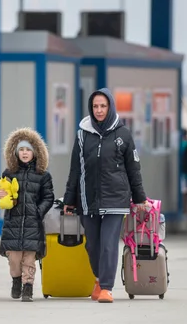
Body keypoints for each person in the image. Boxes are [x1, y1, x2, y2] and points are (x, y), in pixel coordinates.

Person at [63, 88, 149, 304]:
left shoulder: (123, 134)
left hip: (116, 198)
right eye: (95, 106)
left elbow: (134, 169)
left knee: (109, 243)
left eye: (103, 106)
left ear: (110, 107)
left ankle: (107, 288)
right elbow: (75, 169)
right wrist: (69, 200)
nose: (99, 110)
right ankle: (99, 279)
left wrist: (140, 199)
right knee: (92, 244)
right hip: (87, 198)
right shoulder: (83, 134)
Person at [0, 128, 54, 302]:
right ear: (16, 153)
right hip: (13, 223)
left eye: (28, 150)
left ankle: (28, 287)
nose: (25, 153)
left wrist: (38, 211)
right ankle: (16, 280)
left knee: (29, 259)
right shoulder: (9, 173)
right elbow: (1, 189)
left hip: (33, 223)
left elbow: (48, 197)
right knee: (14, 259)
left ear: (35, 152)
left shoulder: (43, 176)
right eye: (21, 150)